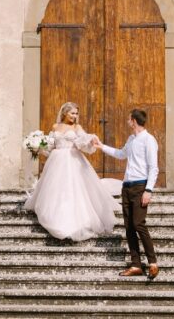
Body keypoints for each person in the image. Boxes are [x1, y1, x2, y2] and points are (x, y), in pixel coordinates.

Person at [23, 102, 116, 241]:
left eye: (76, 113)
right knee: (55, 190)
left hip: (72, 160)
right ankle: (54, 217)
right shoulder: (55, 126)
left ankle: (74, 222)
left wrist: (90, 139)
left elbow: (83, 141)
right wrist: (38, 146)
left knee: (72, 190)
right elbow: (51, 146)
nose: (75, 116)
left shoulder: (77, 127)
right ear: (65, 113)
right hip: (56, 160)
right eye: (72, 113)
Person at [94, 108, 159, 279]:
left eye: (129, 119)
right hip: (127, 186)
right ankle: (136, 264)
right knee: (129, 227)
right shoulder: (131, 139)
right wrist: (101, 147)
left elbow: (154, 168)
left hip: (140, 186)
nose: (127, 121)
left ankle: (152, 262)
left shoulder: (149, 140)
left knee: (139, 224)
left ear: (134, 121)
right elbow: (121, 154)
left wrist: (148, 190)